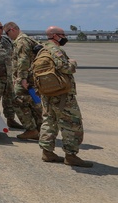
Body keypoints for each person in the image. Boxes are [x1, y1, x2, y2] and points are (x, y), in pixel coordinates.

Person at [37, 26, 92, 167]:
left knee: (49, 121)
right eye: (62, 34)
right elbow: (66, 68)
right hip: (62, 95)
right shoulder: (56, 50)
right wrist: (73, 62)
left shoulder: (42, 49)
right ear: (55, 36)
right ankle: (71, 156)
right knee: (72, 124)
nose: (65, 36)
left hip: (47, 93)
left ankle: (47, 153)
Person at [5, 21, 44, 140]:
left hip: (26, 79)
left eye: (7, 33)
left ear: (12, 29)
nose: (8, 36)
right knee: (34, 103)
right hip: (32, 78)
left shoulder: (21, 41)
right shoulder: (28, 39)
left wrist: (22, 78)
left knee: (18, 101)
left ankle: (31, 129)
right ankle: (40, 130)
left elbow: (23, 60)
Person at [0, 20, 23, 129]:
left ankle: (10, 120)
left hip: (9, 76)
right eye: (0, 27)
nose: (3, 29)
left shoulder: (6, 40)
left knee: (10, 99)